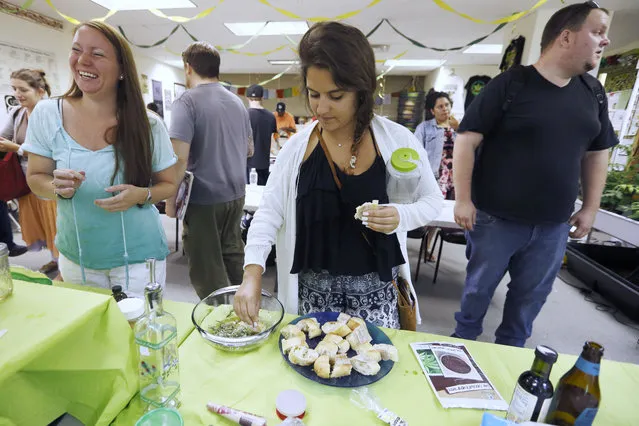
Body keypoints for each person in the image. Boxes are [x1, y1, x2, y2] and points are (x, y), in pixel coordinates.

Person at [234, 21, 443, 328]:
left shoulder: (397, 140)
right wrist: (252, 273)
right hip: (312, 298)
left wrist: (401, 215)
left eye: (335, 95)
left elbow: (432, 201)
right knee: (311, 368)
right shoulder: (297, 149)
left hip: (377, 298)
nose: (322, 108)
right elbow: (269, 213)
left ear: (361, 90)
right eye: (313, 94)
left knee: (375, 369)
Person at [452, 2, 618, 347]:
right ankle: (462, 345)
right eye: (598, 31)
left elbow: (597, 153)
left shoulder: (593, 92)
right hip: (496, 220)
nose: (606, 41)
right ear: (567, 37)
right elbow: (466, 141)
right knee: (478, 292)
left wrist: (591, 207)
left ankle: (511, 354)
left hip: (554, 226)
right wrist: (463, 200)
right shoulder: (510, 84)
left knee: (529, 301)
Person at [23, 21, 177, 297]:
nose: (83, 60)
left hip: (139, 260)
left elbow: (169, 185)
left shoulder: (148, 125)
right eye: (77, 50)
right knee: (89, 336)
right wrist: (55, 187)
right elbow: (36, 178)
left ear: (121, 70)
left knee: (139, 335)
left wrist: (140, 195)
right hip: (77, 256)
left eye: (97, 53)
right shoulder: (47, 114)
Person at [168, 42, 253, 299]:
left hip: (204, 198)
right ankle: (250, 309)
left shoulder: (186, 101)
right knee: (233, 253)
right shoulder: (238, 102)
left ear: (188, 68)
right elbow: (249, 149)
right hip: (236, 194)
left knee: (207, 267)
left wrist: (171, 201)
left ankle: (220, 324)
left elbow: (178, 159)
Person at [0, 69, 59, 273]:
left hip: (48, 178)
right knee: (44, 225)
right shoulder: (17, 113)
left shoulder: (50, 113)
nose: (17, 94)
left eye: (23, 89)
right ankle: (56, 259)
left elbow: (50, 150)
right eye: (14, 88)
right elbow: (4, 137)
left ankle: (64, 265)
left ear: (40, 91)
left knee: (56, 224)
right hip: (27, 181)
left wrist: (15, 148)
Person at [414, 91, 458, 261]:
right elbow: (416, 152)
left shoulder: (458, 127)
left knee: (443, 216)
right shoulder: (425, 128)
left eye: (447, 105)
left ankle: (427, 247)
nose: (444, 109)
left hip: (453, 179)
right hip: (434, 177)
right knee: (429, 213)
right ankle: (423, 244)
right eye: (440, 106)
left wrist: (459, 129)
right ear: (432, 111)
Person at [246, 84, 277, 185]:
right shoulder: (271, 117)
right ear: (262, 97)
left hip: (246, 165)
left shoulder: (243, 115)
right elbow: (272, 140)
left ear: (247, 98)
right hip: (264, 164)